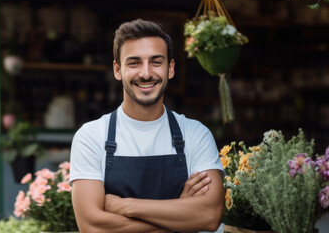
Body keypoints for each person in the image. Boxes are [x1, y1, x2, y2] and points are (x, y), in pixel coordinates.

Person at [69, 19, 225, 233]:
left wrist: (123, 206)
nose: (145, 73)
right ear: (117, 69)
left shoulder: (196, 134)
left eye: (156, 62)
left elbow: (209, 216)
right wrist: (179, 217)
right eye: (134, 63)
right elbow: (92, 226)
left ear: (170, 68)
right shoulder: (91, 136)